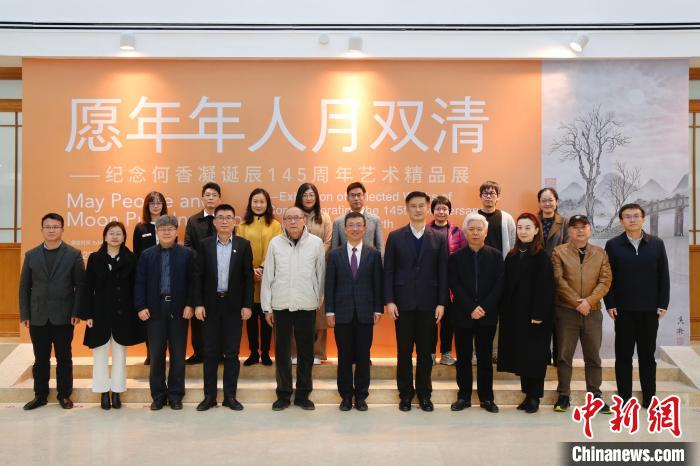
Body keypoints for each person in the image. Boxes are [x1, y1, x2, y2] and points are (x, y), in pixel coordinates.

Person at [384, 191, 448, 412]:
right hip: (402, 304)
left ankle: (424, 394)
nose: (418, 209)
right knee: (403, 352)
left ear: (428, 207)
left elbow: (443, 272)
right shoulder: (395, 236)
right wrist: (389, 300)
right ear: (407, 208)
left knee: (425, 353)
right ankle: (405, 394)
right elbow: (388, 271)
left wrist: (441, 303)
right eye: (413, 206)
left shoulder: (439, 237)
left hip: (429, 305)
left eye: (421, 205)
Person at [604, 203, 670, 408]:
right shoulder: (613, 245)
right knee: (623, 356)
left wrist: (663, 303)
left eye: (635, 216)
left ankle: (650, 398)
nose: (632, 220)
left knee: (647, 356)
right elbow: (607, 277)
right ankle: (624, 398)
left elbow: (664, 275)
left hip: (650, 309)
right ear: (621, 221)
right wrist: (610, 303)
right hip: (623, 310)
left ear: (643, 218)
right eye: (627, 216)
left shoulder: (657, 244)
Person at [261, 206, 325, 411]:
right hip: (281, 305)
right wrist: (267, 308)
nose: (293, 221)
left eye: (297, 217)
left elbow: (321, 274)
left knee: (306, 353)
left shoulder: (315, 243)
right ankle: (283, 394)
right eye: (289, 218)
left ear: (304, 220)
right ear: (284, 221)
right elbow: (268, 276)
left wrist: (317, 299)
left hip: (307, 305)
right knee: (282, 353)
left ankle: (303, 395)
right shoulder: (275, 243)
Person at [19, 213, 85, 410]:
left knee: (64, 358)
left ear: (62, 229)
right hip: (37, 315)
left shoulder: (73, 254)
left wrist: (76, 312)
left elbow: (81, 286)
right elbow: (24, 287)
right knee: (40, 359)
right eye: (47, 227)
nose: (51, 230)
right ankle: (40, 396)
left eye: (55, 227)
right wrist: (25, 314)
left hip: (64, 316)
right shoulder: (31, 255)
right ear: (42, 230)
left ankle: (64, 395)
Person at [193, 204, 254, 412]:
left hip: (234, 306)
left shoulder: (244, 245)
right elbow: (198, 277)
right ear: (214, 221)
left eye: (229, 217)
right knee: (210, 352)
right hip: (210, 305)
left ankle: (230, 396)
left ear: (235, 221)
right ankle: (209, 397)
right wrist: (198, 304)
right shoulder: (205, 245)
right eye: (220, 217)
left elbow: (248, 278)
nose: (225, 221)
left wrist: (247, 305)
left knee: (232, 353)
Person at [551, 215, 612, 413]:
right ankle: (563, 395)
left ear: (589, 229)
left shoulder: (600, 253)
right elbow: (558, 280)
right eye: (575, 227)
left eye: (583, 227)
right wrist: (578, 302)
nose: (579, 230)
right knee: (564, 356)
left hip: (592, 312)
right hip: (566, 311)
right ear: (568, 231)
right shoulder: (559, 252)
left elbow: (605, 281)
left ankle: (595, 395)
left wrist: (589, 301)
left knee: (593, 357)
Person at [134, 215, 195, 411]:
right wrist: (141, 306)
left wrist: (190, 304)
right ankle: (158, 396)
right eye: (162, 229)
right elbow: (139, 282)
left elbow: (193, 282)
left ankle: (176, 395)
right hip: (154, 309)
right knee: (156, 356)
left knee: (178, 356)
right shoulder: (147, 255)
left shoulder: (187, 254)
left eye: (170, 228)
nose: (166, 232)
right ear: (157, 232)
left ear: (177, 232)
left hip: (179, 309)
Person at [82, 221, 144, 410]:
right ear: (105, 236)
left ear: (124, 237)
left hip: (123, 314)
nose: (115, 236)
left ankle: (117, 392)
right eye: (111, 233)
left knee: (120, 355)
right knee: (99, 354)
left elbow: (136, 286)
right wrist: (88, 315)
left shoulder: (131, 258)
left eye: (119, 233)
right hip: (99, 314)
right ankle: (103, 392)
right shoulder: (95, 258)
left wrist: (136, 311)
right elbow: (87, 287)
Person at [325, 211, 383, 411]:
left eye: (359, 225)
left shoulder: (373, 254)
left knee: (363, 356)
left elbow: (377, 284)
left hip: (366, 313)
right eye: (351, 225)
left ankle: (361, 396)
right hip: (342, 313)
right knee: (344, 357)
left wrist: (378, 309)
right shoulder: (335, 254)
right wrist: (329, 311)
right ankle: (346, 396)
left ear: (365, 228)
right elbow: (330, 284)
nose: (355, 229)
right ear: (345, 229)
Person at [497, 213, 555, 414]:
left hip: (535, 316)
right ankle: (526, 394)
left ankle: (534, 397)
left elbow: (546, 288)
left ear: (536, 230)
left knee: (535, 357)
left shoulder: (541, 256)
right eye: (520, 227)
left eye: (528, 227)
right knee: (521, 355)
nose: (523, 231)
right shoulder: (512, 255)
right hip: (515, 316)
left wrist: (538, 314)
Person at [448, 212, 503, 414]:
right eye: (471, 229)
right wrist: (471, 307)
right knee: (463, 358)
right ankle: (463, 397)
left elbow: (499, 285)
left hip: (487, 316)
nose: (475, 233)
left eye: (479, 229)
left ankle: (486, 398)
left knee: (485, 358)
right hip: (463, 314)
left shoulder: (496, 256)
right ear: (465, 232)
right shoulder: (456, 257)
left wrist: (484, 307)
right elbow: (454, 284)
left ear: (486, 232)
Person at [236, 188, 282, 366]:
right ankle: (253, 352)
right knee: (251, 318)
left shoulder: (275, 225)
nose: (258, 205)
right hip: (248, 279)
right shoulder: (241, 226)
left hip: (269, 278)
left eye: (262, 201)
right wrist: (251, 270)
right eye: (255, 201)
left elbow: (276, 249)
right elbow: (239, 251)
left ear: (267, 204)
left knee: (266, 318)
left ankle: (266, 353)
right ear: (250, 203)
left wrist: (262, 268)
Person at [184, 182, 222, 365]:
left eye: (214, 195)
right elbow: (187, 246)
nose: (211, 198)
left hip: (220, 274)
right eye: (208, 195)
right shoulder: (193, 220)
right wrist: (202, 261)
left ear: (219, 198)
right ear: (202, 198)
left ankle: (219, 353)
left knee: (218, 314)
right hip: (198, 274)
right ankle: (198, 352)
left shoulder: (223, 219)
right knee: (198, 315)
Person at [294, 182, 332, 364]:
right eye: (305, 195)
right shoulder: (294, 215)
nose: (308, 198)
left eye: (311, 195)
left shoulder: (324, 217)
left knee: (319, 313)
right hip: (296, 270)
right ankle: (295, 352)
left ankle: (317, 353)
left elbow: (328, 242)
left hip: (319, 269)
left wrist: (314, 257)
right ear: (299, 197)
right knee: (295, 311)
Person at [428, 195, 467, 366]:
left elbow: (464, 257)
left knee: (448, 321)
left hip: (451, 283)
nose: (441, 212)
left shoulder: (457, 232)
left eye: (444, 208)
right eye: (438, 208)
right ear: (433, 211)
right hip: (430, 283)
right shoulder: (425, 230)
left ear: (449, 211)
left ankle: (446, 353)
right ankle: (429, 353)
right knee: (430, 321)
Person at [133, 190, 168, 365]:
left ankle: (164, 352)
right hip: (148, 279)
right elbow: (137, 255)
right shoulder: (141, 228)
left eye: (159, 202)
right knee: (150, 317)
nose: (156, 206)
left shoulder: (169, 225)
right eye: (152, 203)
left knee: (167, 316)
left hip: (167, 277)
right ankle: (151, 352)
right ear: (147, 206)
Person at [537, 187, 569, 367]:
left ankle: (558, 357)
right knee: (539, 317)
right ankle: (543, 356)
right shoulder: (533, 221)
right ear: (539, 203)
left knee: (558, 319)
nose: (547, 203)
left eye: (550, 200)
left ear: (556, 202)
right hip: (537, 277)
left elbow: (568, 248)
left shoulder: (565, 222)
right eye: (544, 200)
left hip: (558, 275)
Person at [463, 180, 515, 259]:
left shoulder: (507, 218)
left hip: (500, 261)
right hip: (475, 261)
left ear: (498, 197)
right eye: (485, 193)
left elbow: (513, 241)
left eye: (492, 193)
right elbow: (465, 238)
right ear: (480, 196)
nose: (488, 196)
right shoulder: (471, 217)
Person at [330, 181, 384, 254]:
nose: (356, 198)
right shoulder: (338, 222)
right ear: (347, 198)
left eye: (359, 195)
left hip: (369, 261)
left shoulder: (375, 220)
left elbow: (380, 247)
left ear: (364, 196)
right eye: (352, 195)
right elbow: (334, 249)